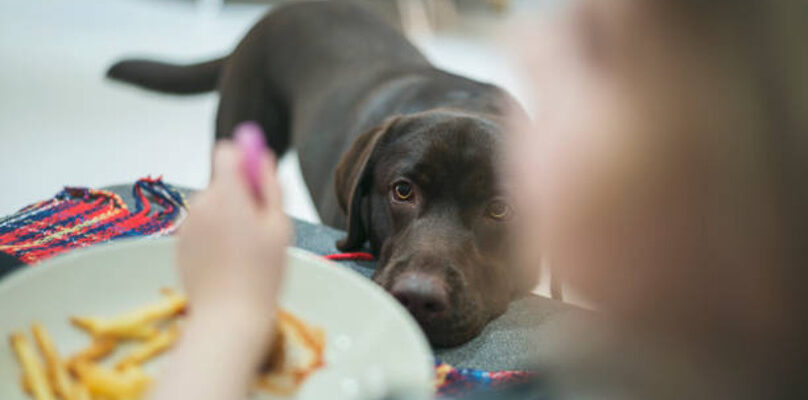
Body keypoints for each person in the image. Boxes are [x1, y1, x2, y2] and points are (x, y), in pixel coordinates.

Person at [150, 1, 807, 399]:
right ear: (360, 202)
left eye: (595, 45)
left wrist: (228, 319)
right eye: (404, 194)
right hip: (277, 48)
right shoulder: (388, 150)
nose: (532, 47)